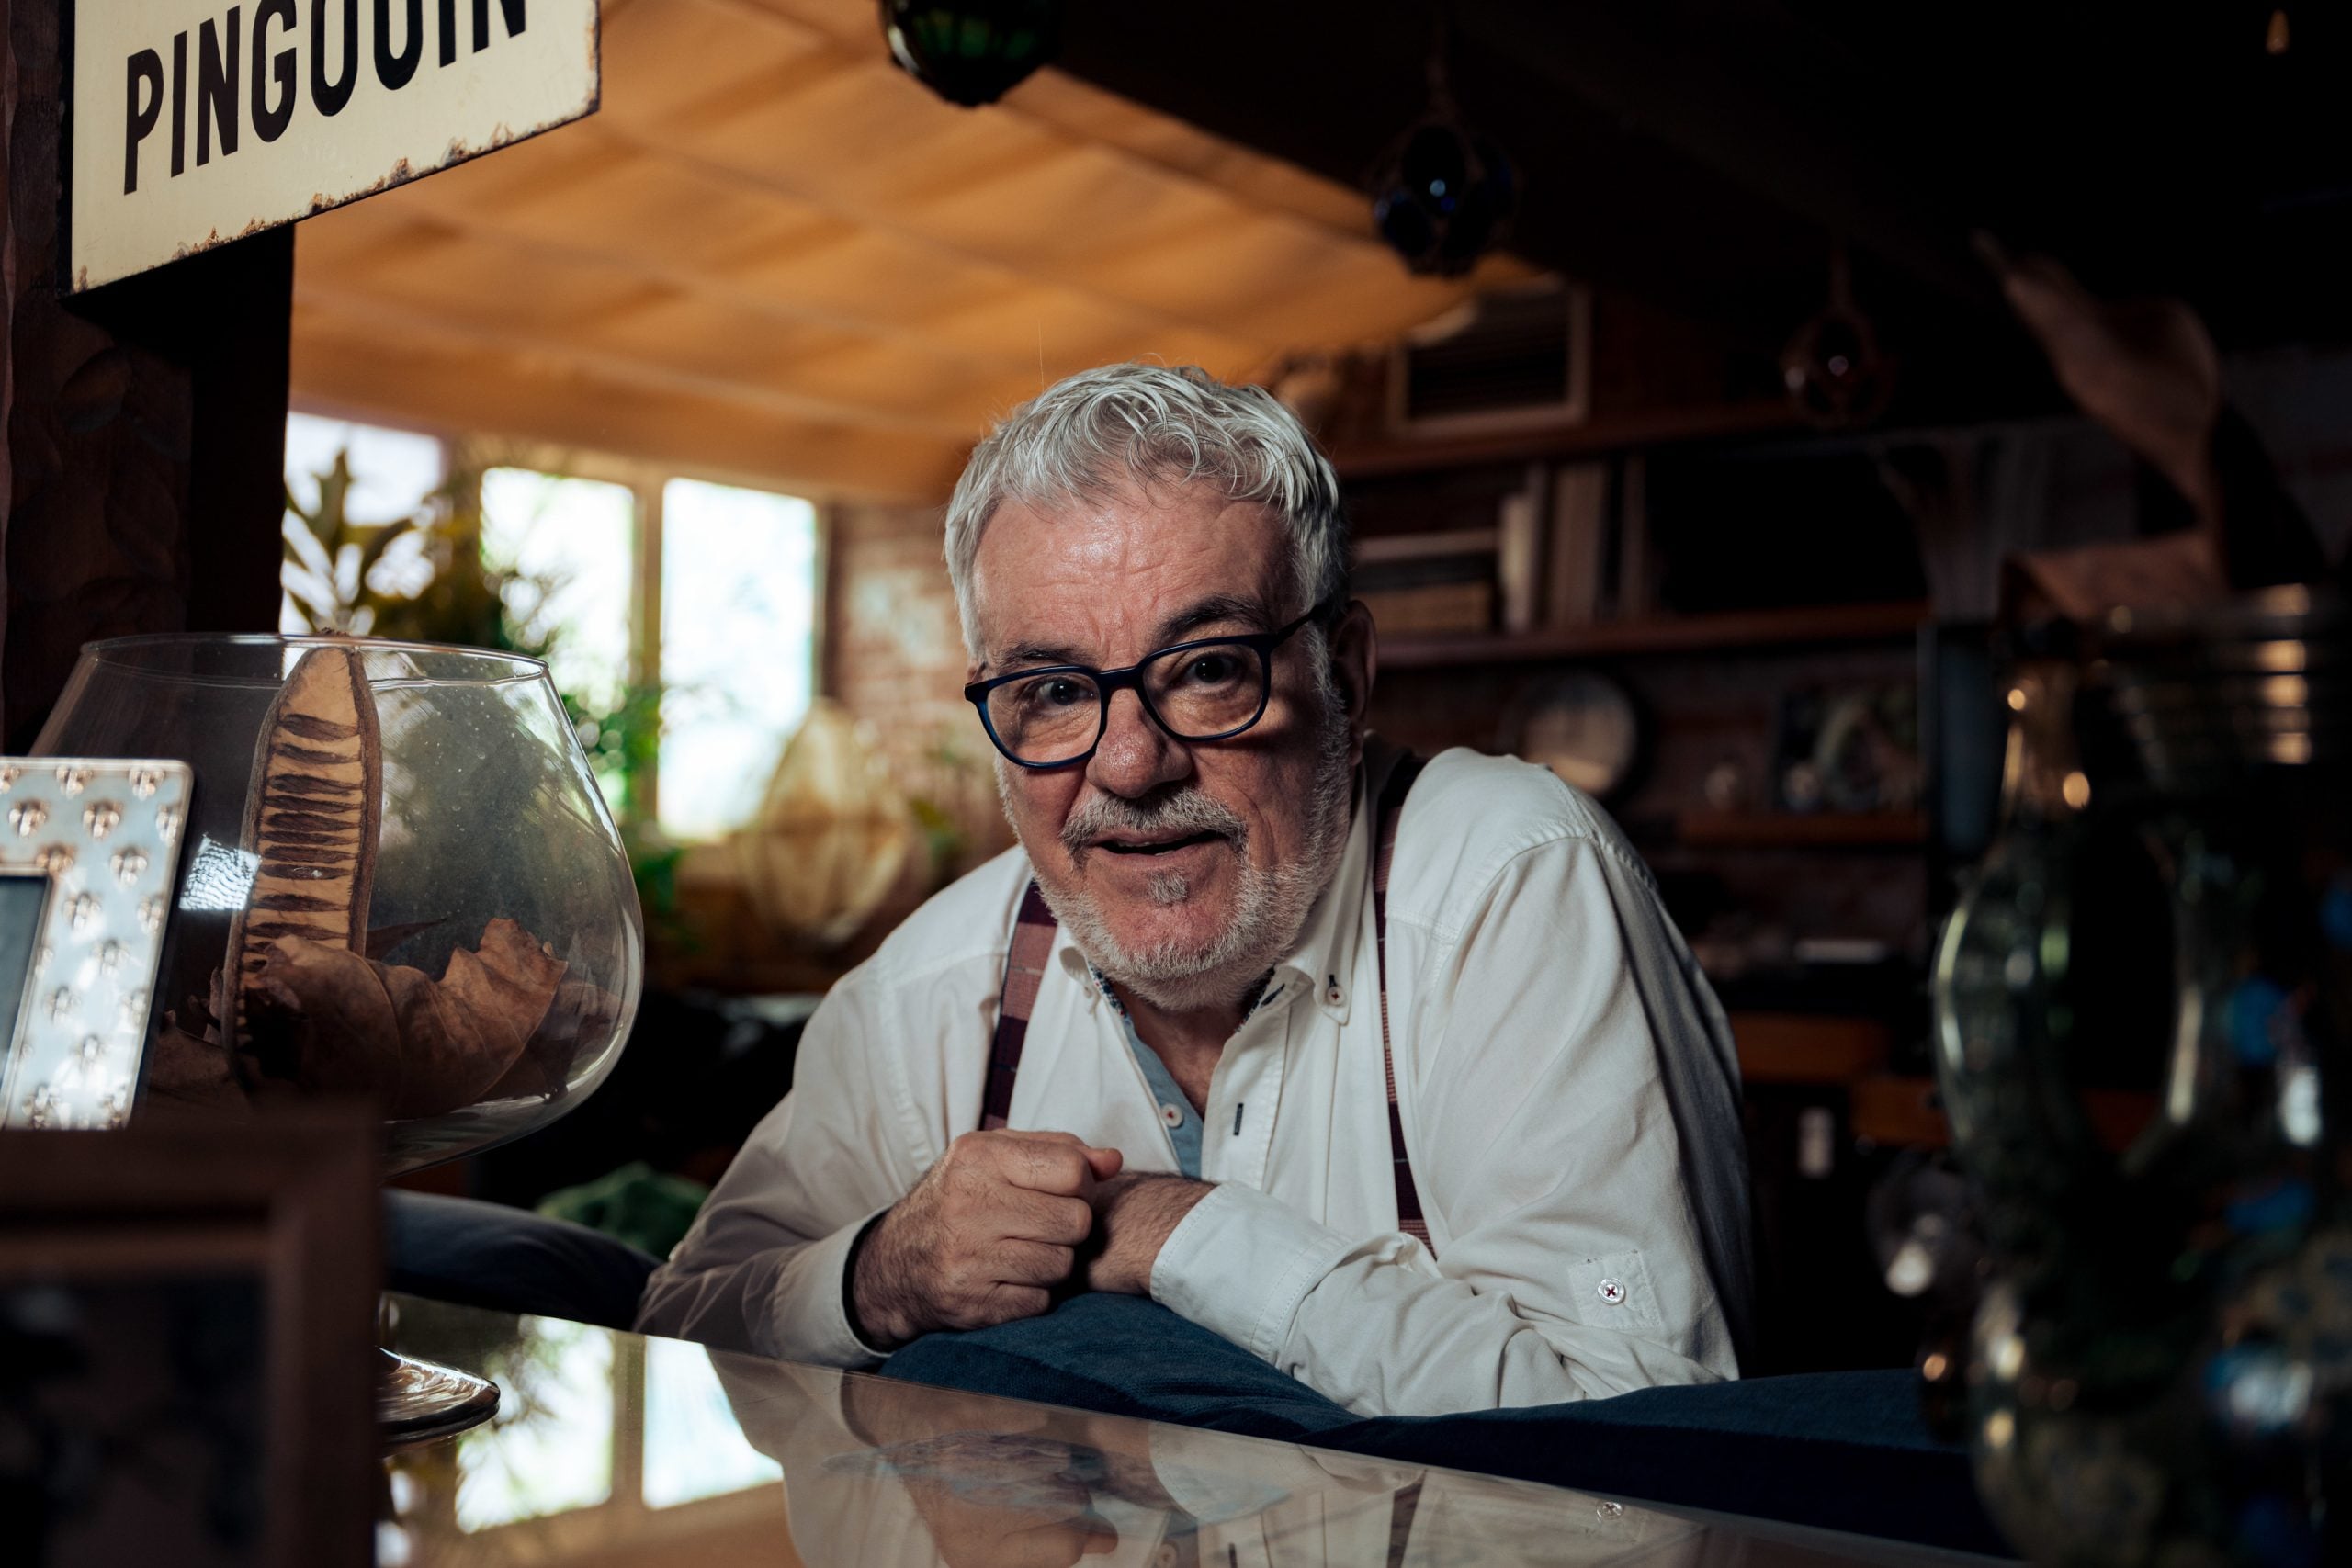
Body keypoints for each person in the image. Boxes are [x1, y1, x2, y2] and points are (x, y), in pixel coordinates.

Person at [636, 364, 1752, 1416]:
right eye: (1053, 691)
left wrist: (1174, 1231)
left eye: (1210, 669)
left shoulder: (1506, 879)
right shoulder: (928, 990)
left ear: (1344, 675)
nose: (1130, 766)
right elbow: (672, 1328)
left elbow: (1640, 1428)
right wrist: (882, 1275)